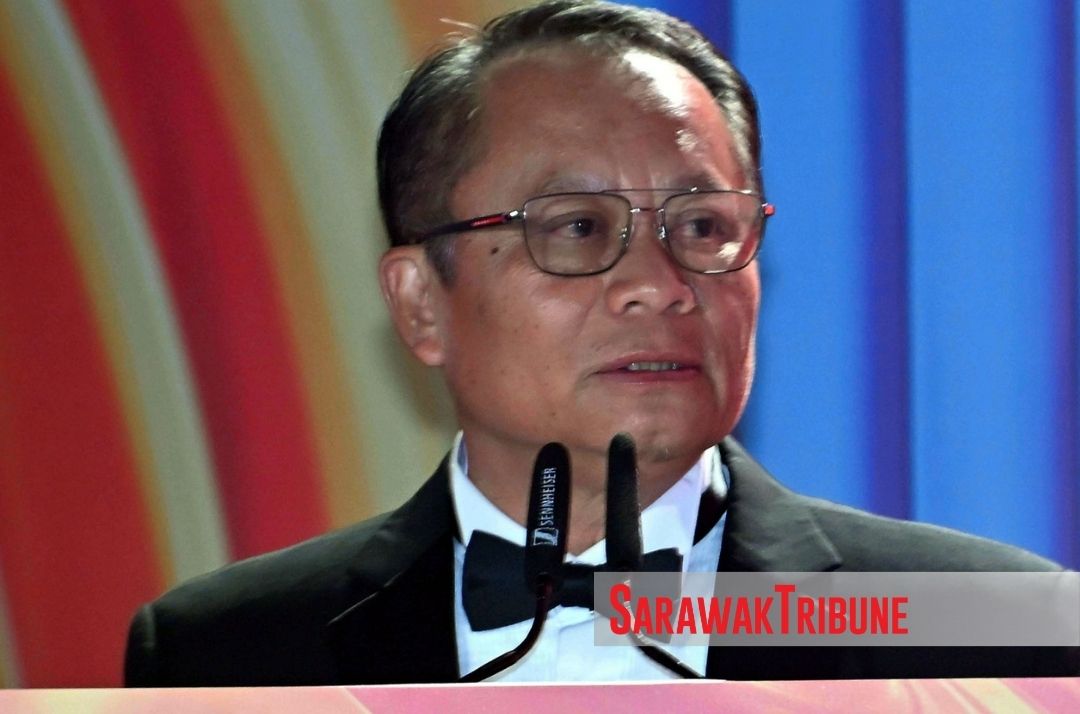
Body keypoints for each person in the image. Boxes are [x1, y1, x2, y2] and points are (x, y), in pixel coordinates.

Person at [124, 0, 1077, 686]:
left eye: (702, 226)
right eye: (577, 228)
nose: (659, 284)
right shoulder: (227, 655)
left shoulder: (991, 628)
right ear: (420, 304)